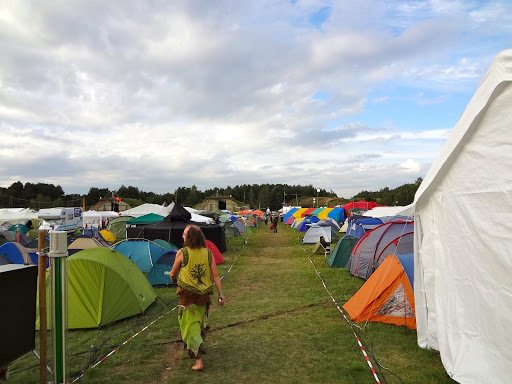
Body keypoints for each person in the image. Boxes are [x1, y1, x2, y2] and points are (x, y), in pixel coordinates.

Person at [170, 225, 225, 371]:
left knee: (189, 324)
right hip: (203, 296)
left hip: (188, 296)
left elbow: (172, 273)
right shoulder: (208, 253)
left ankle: (198, 360)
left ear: (190, 237)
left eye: (184, 234)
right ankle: (196, 345)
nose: (182, 236)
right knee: (197, 321)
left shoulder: (182, 253)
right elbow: (215, 275)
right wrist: (221, 294)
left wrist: (172, 278)